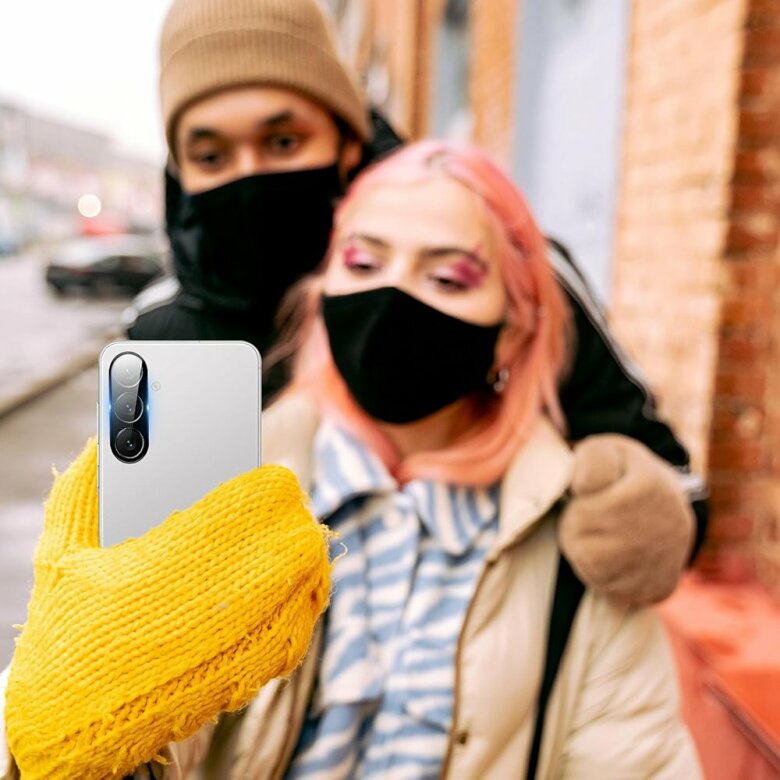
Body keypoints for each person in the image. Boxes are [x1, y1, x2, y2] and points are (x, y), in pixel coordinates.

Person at [2, 140, 701, 778]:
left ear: (514, 329)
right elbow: (155, 741)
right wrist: (61, 732)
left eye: (449, 277)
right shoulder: (225, 484)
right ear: (323, 292)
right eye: (363, 263)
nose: (392, 296)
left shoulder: (583, 542)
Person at [121, 0, 707, 608]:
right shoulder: (160, 336)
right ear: (180, 170)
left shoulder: (507, 270)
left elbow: (675, 493)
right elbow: (140, 570)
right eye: (211, 157)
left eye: (285, 140)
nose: (251, 178)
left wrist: (630, 519)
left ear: (347, 139)